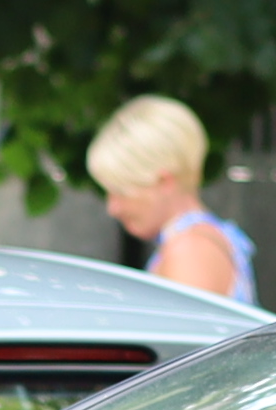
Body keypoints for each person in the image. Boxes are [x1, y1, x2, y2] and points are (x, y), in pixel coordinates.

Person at [86, 94, 252, 301]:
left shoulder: (190, 250)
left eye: (121, 191)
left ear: (164, 182)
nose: (113, 208)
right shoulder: (203, 239)